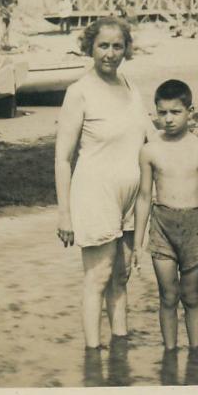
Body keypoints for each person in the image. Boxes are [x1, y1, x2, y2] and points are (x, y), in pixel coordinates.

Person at [55, 17, 154, 350]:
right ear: (90, 47)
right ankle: (93, 357)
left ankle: (120, 348)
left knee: (121, 276)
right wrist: (64, 215)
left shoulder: (130, 86)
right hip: (95, 193)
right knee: (98, 277)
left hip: (132, 197)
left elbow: (151, 137)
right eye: (103, 46)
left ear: (126, 48)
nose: (111, 53)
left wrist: (196, 139)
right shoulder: (79, 92)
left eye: (117, 46)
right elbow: (62, 159)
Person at [132, 80, 198, 351]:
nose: (168, 119)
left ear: (191, 112)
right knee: (168, 296)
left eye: (176, 112)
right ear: (155, 113)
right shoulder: (149, 149)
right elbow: (144, 197)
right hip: (162, 226)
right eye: (162, 113)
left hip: (193, 226)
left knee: (192, 296)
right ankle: (170, 354)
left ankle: (196, 356)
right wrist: (137, 244)